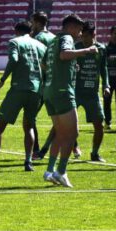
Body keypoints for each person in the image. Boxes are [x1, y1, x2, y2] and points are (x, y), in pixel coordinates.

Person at [0, 20, 45, 173]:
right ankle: (28, 162)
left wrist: (2, 80)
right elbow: (47, 66)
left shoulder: (14, 42)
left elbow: (14, 59)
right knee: (29, 126)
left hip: (18, 89)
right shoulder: (41, 45)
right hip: (36, 90)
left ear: (16, 31)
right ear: (30, 31)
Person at [41, 14, 98, 188]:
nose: (80, 34)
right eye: (79, 30)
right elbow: (65, 54)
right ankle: (61, 171)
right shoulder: (66, 38)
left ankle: (49, 171)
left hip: (49, 91)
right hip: (63, 91)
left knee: (60, 133)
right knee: (72, 134)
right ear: (71, 27)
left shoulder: (53, 41)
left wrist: (70, 67)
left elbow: (44, 64)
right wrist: (87, 51)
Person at [74, 22, 110, 163]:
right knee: (69, 124)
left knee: (99, 124)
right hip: (76, 92)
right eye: (82, 36)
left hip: (92, 93)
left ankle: (95, 153)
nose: (83, 39)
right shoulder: (76, 48)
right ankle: (74, 146)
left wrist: (106, 85)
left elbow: (103, 68)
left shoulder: (101, 49)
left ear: (93, 35)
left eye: (86, 36)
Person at [29, 11, 56, 160]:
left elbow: (37, 62)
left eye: (32, 22)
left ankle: (36, 150)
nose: (31, 25)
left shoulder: (37, 38)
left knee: (30, 117)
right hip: (55, 82)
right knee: (60, 118)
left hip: (41, 84)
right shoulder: (54, 37)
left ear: (38, 23)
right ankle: (75, 147)